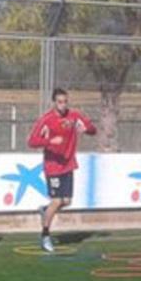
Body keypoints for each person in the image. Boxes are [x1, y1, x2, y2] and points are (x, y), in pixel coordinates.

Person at [28, 88, 96, 252]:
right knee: (57, 200)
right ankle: (45, 236)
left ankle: (46, 210)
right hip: (53, 166)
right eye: (59, 102)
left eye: (65, 102)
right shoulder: (47, 119)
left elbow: (93, 129)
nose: (63, 105)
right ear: (54, 103)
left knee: (66, 201)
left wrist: (87, 130)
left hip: (68, 164)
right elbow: (32, 141)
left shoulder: (74, 116)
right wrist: (50, 141)